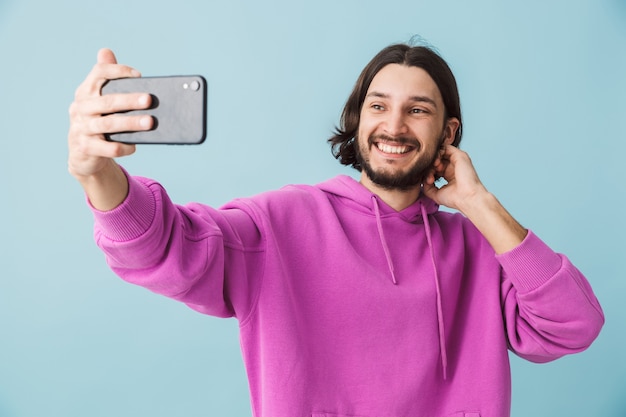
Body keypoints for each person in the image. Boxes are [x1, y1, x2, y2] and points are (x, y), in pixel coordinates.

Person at [68, 44, 604, 417]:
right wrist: (99, 174)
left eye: (418, 111)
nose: (393, 127)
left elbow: (573, 325)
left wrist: (479, 204)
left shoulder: (482, 250)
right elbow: (167, 248)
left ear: (449, 132)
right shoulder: (279, 224)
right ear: (358, 120)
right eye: (378, 106)